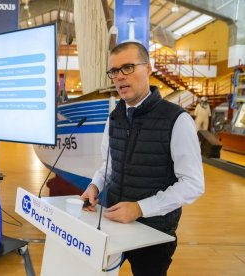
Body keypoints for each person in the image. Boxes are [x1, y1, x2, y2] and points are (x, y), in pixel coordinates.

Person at [80, 42, 204, 276]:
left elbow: (193, 184)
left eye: (127, 67)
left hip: (154, 233)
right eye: (114, 71)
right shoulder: (114, 117)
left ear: (148, 68)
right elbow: (109, 164)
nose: (119, 77)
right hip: (112, 222)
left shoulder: (176, 120)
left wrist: (140, 208)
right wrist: (94, 185)